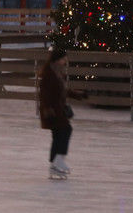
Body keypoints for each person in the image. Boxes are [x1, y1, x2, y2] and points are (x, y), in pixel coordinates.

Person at [38, 47, 85, 179]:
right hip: (52, 110)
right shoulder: (49, 73)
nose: (65, 60)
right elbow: (44, 94)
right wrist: (48, 109)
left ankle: (54, 164)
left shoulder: (57, 72)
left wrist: (78, 95)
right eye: (63, 58)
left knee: (58, 135)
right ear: (57, 59)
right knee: (65, 130)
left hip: (57, 109)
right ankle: (58, 161)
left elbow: (64, 90)